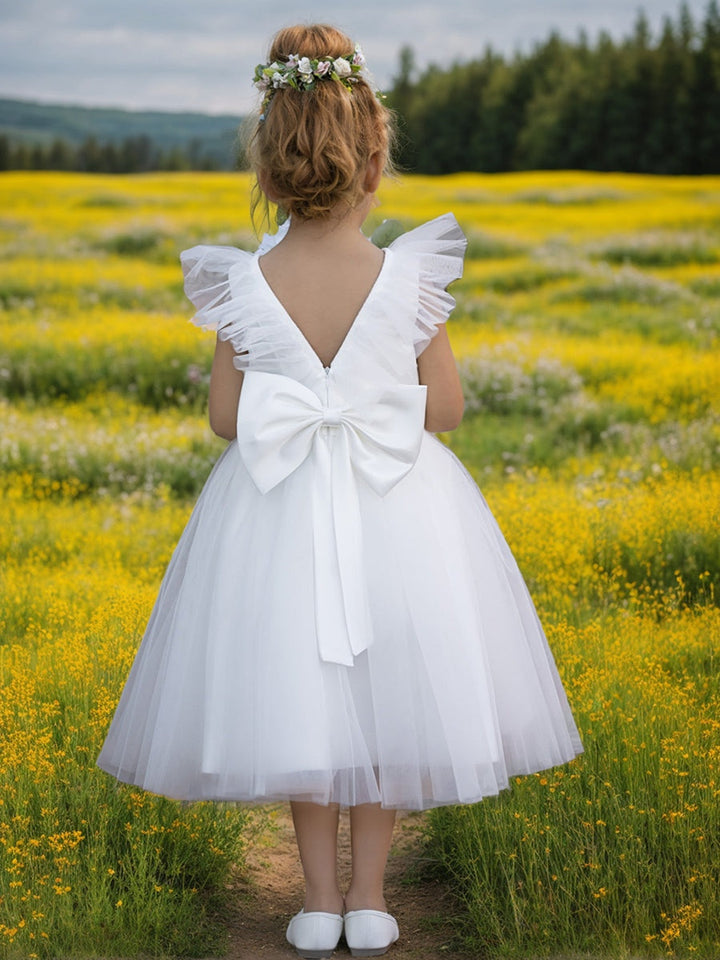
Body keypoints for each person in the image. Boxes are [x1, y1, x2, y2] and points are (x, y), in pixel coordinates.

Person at [97, 23, 583, 960]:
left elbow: (228, 421)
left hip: (275, 506)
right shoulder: (406, 278)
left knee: (298, 690)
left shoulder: (241, 283)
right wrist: (367, 396)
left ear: (270, 170)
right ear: (373, 160)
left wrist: (302, 398)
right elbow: (443, 407)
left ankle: (315, 901)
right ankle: (371, 898)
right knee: (389, 686)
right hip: (399, 501)